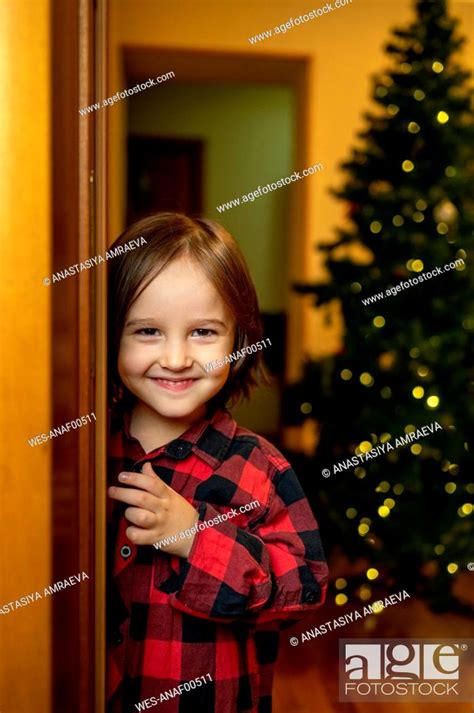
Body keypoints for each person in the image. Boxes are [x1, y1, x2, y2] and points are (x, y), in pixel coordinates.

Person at [106, 213, 328, 713]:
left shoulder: (260, 467)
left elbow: (305, 588)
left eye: (204, 332)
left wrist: (194, 538)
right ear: (108, 334)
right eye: (147, 331)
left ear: (240, 340)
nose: (178, 357)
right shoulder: (84, 455)